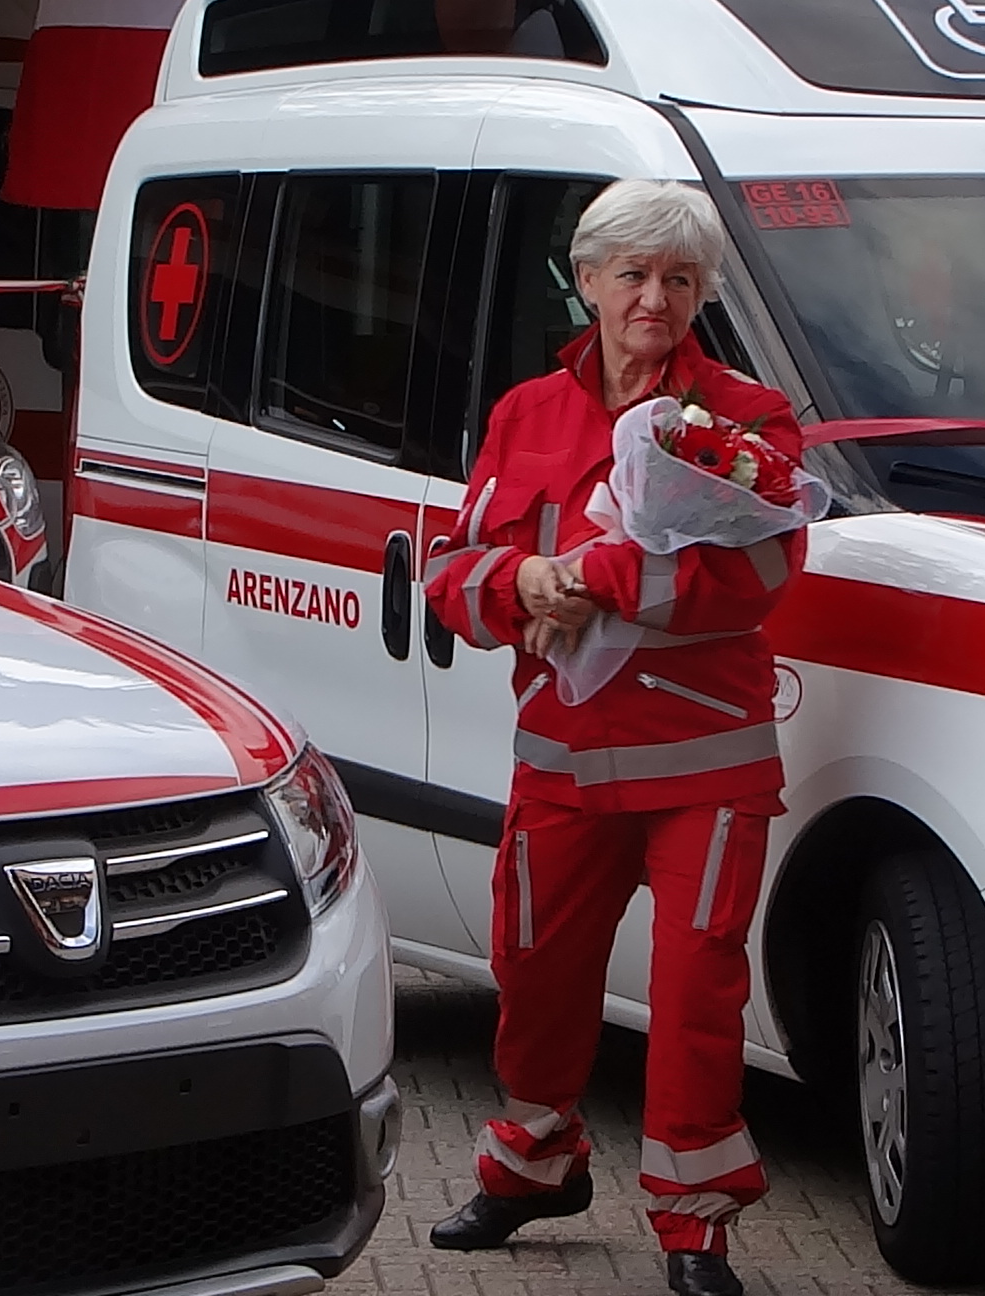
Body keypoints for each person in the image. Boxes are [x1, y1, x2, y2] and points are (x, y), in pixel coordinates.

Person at [422, 180, 805, 1296]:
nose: (656, 297)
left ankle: (695, 1228)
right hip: (562, 760)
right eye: (633, 274)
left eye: (681, 279)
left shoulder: (750, 422)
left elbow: (766, 574)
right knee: (532, 973)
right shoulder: (525, 414)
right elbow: (451, 570)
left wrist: (588, 575)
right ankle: (534, 1164)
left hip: (709, 766)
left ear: (704, 295)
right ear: (585, 281)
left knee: (695, 994)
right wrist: (520, 579)